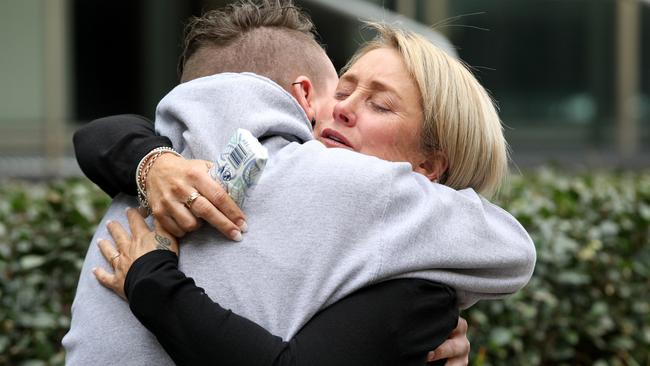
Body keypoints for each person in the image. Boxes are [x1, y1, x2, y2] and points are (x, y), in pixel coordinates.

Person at [64, 1, 535, 365]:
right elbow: (100, 136)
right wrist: (155, 164)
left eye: (381, 105)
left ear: (429, 171)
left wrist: (151, 278)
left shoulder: (413, 287)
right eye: (345, 89)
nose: (346, 108)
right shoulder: (188, 165)